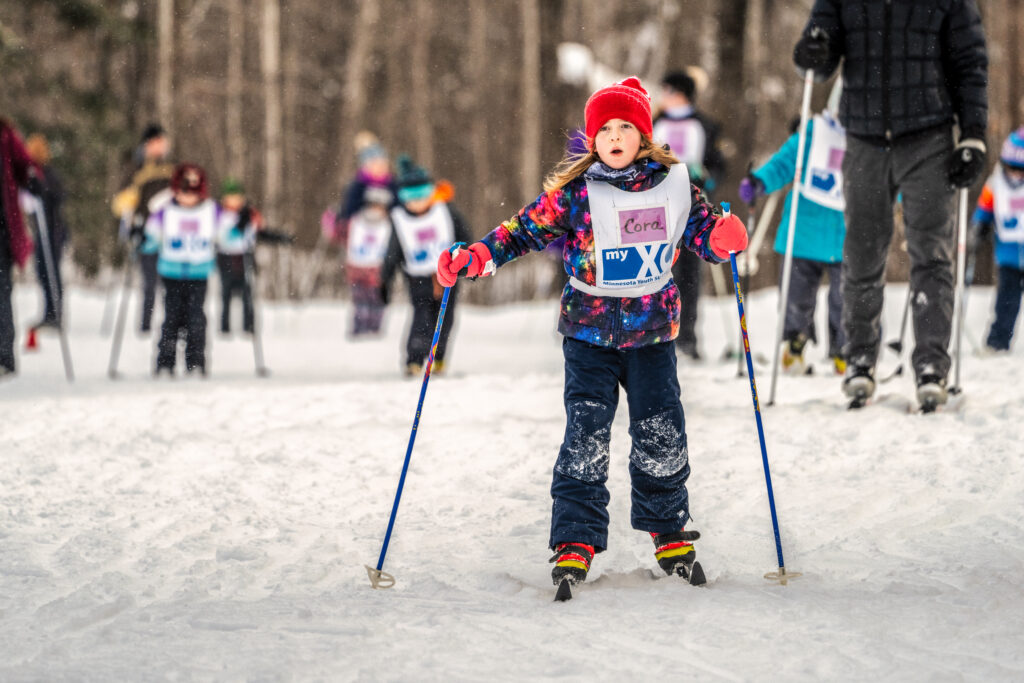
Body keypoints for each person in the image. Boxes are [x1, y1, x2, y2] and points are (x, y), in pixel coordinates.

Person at [436, 77, 748, 589]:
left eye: (627, 126)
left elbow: (703, 231)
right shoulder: (578, 194)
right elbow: (523, 229)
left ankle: (669, 531)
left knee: (660, 432)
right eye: (606, 129)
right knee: (585, 436)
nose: (616, 136)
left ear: (643, 135)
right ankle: (575, 539)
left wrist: (720, 235)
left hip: (652, 336)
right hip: (588, 335)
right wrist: (479, 255)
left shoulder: (673, 185)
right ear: (593, 140)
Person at [794, 0, 988, 410]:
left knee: (932, 254)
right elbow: (819, 59)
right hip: (864, 137)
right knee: (862, 254)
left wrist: (973, 134)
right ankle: (860, 359)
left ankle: (932, 365)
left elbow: (969, 61)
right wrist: (812, 52)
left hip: (929, 136)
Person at [740, 107, 847, 375]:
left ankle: (847, 350)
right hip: (803, 231)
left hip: (848, 234)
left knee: (846, 299)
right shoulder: (810, 136)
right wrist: (759, 182)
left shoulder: (867, 136)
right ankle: (795, 344)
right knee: (795, 296)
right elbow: (782, 164)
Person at [652, 70, 726, 361]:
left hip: (692, 204)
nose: (662, 96)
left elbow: (718, 163)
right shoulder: (653, 124)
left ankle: (688, 337)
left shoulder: (705, 125)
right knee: (659, 269)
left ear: (680, 92)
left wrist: (708, 179)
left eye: (667, 90)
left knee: (690, 275)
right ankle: (659, 335)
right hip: (657, 204)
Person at [380, 155, 470, 376]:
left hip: (448, 275)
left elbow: (465, 237)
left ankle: (438, 357)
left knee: (445, 317)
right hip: (417, 277)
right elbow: (392, 252)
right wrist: (385, 280)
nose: (417, 203)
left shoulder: (446, 211)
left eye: (421, 196)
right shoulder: (400, 219)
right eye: (411, 198)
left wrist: (470, 262)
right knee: (421, 317)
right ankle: (414, 359)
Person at [144, 163, 220, 377]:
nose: (188, 198)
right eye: (183, 192)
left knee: (196, 319)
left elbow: (227, 235)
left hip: (199, 272)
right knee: (171, 318)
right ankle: (165, 363)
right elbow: (151, 237)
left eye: (193, 193)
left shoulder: (211, 211)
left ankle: (196, 363)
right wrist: (140, 236)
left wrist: (243, 228)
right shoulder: (165, 212)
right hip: (172, 272)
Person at [112, 123, 175, 333]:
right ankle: (145, 326)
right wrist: (130, 217)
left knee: (170, 284)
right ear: (147, 144)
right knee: (149, 282)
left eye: (163, 142)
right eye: (156, 142)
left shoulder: (172, 167)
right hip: (146, 233)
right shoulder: (135, 169)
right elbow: (120, 203)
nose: (161, 147)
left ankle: (170, 325)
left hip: (171, 234)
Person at [971, 128, 1024, 352]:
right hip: (1009, 255)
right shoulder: (995, 184)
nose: (1015, 175)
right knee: (1006, 300)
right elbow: (985, 208)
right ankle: (998, 341)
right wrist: (979, 226)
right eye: (1011, 168)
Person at [0, 118, 42, 378]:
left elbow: (26, 165)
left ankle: (4, 357)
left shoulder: (5, 135)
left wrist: (31, 177)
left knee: (1, 294)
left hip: (2, 228)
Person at [24, 134, 69, 332]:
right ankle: (48, 312)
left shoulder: (47, 173)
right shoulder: (32, 173)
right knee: (42, 271)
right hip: (41, 231)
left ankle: (55, 313)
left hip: (53, 230)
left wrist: (43, 193)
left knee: (51, 272)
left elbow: (58, 196)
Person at [344, 184, 393, 337]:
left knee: (376, 299)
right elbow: (342, 233)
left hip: (377, 267)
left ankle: (374, 329)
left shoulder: (389, 223)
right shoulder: (357, 220)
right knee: (360, 300)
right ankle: (360, 328)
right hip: (357, 265)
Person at [215, 178, 260, 335]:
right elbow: (221, 236)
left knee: (247, 294)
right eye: (231, 197)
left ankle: (249, 326)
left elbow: (257, 230)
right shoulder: (219, 213)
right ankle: (224, 327)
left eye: (237, 197)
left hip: (245, 256)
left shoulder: (249, 212)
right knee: (226, 293)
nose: (235, 201)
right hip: (226, 257)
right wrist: (236, 227)